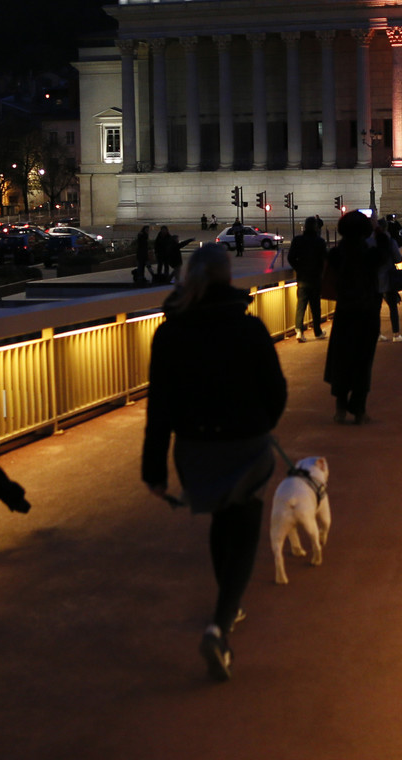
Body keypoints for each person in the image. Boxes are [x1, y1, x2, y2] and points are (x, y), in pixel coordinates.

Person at [142, 244, 286, 682]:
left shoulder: (168, 334)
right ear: (228, 279)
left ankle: (229, 604)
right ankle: (220, 625)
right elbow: (276, 391)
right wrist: (261, 424)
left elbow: (159, 408)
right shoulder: (250, 329)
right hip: (246, 442)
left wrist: (153, 468)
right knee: (243, 526)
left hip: (194, 448)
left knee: (221, 518)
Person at [323, 210, 387, 424]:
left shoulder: (335, 254)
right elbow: (386, 252)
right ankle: (359, 410)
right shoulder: (369, 255)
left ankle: (340, 408)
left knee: (342, 359)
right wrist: (379, 230)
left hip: (344, 311)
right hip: (367, 310)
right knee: (363, 360)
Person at [289, 215, 327, 342]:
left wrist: (298, 267)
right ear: (316, 227)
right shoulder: (320, 242)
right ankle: (317, 331)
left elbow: (291, 258)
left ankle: (299, 331)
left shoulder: (297, 240)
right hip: (315, 278)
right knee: (315, 307)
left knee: (301, 305)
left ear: (305, 226)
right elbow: (325, 259)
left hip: (302, 278)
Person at [374, 218, 402, 341]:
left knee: (376, 309)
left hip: (374, 279)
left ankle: (377, 334)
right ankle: (396, 334)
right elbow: (398, 258)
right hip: (388, 277)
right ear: (386, 228)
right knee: (393, 307)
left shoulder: (371, 241)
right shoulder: (390, 241)